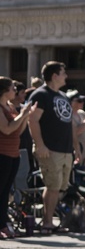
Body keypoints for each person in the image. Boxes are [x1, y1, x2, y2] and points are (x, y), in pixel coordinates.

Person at [27, 61, 75, 234]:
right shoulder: (40, 95)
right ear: (54, 76)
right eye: (63, 73)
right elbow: (32, 120)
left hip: (65, 149)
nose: (66, 76)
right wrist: (39, 145)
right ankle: (47, 222)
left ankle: (50, 219)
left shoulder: (63, 96)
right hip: (49, 149)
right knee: (53, 186)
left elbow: (68, 123)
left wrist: (75, 147)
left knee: (60, 187)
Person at [1, 77, 36, 239]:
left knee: (6, 191)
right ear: (4, 90)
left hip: (13, 153)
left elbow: (18, 130)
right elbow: (7, 129)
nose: (14, 91)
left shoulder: (9, 106)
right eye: (12, 88)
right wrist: (21, 115)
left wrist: (26, 116)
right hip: (2, 153)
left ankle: (3, 224)